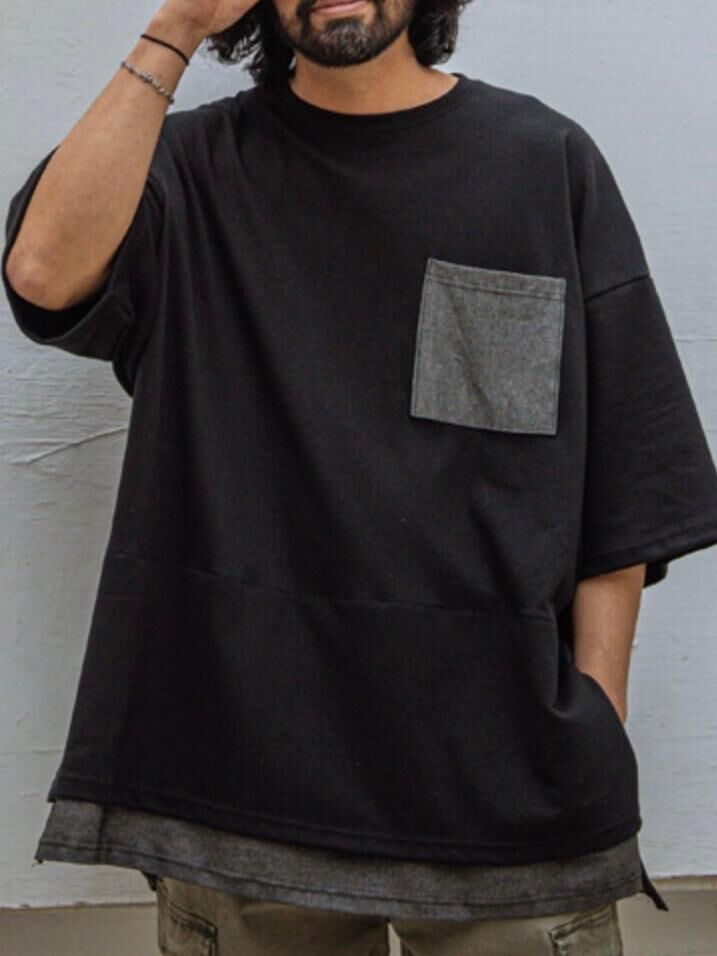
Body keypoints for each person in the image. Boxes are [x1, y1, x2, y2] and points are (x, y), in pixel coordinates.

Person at [4, 0, 717, 952]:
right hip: (239, 793)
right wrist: (176, 28)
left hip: (510, 798)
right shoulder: (189, 169)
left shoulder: (540, 161)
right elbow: (43, 273)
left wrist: (598, 710)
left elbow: (626, 462)